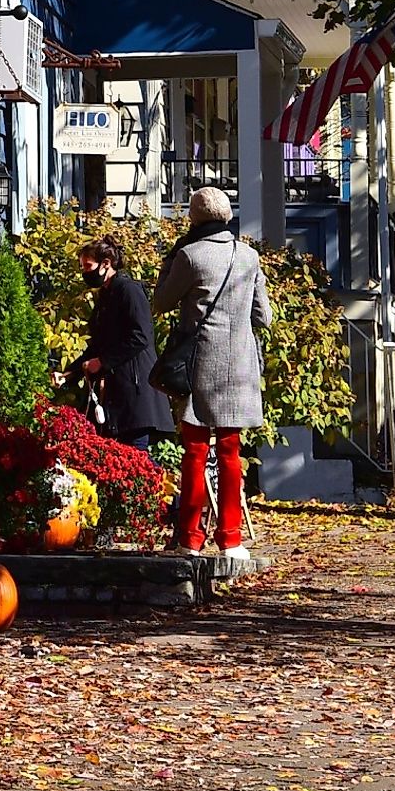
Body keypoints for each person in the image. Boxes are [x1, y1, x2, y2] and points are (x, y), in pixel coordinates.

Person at [151, 187, 273, 562]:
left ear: (194, 219)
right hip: (239, 365)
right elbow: (263, 316)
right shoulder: (248, 257)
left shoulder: (190, 256)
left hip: (201, 362)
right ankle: (231, 539)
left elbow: (160, 302)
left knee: (195, 450)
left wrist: (170, 262)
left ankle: (190, 539)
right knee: (230, 451)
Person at [71, 237, 174, 452]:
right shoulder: (106, 296)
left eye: (88, 266)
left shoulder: (129, 290)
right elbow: (99, 344)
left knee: (135, 459)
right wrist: (70, 372)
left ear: (106, 264)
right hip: (119, 395)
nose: (84, 272)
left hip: (136, 393)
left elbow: (141, 336)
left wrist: (103, 362)